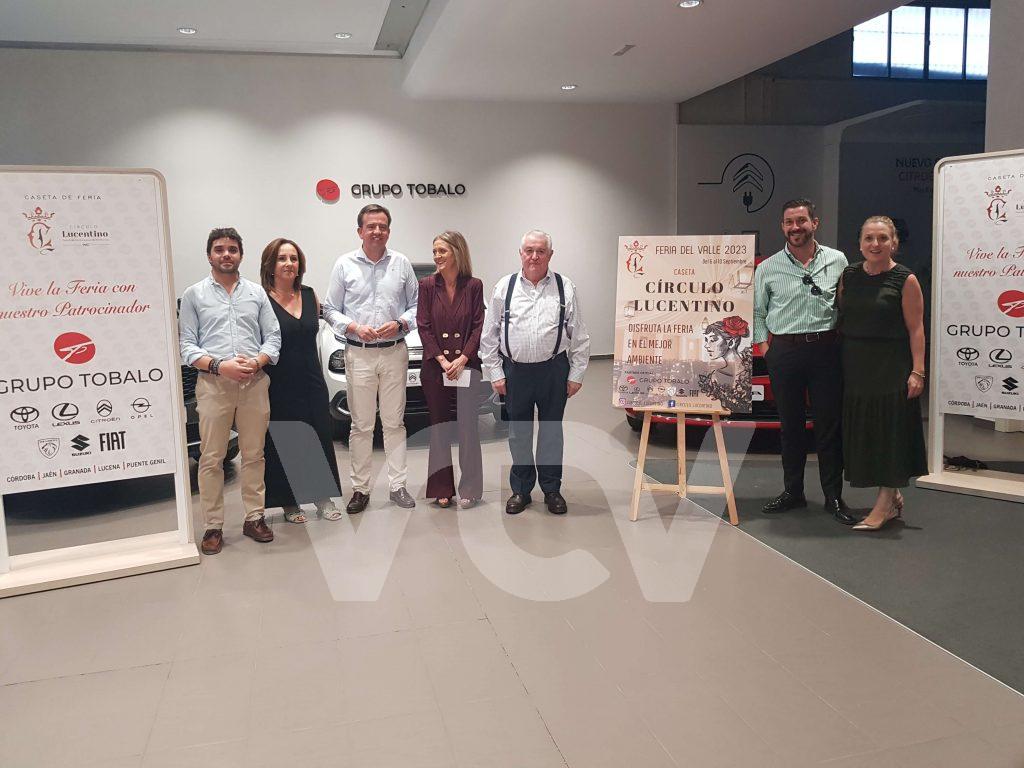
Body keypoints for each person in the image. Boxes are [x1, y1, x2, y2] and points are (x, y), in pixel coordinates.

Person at [753, 199, 857, 525]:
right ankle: (792, 492)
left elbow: (847, 304)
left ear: (815, 222)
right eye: (788, 222)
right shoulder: (768, 267)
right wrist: (765, 348)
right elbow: (757, 312)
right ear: (782, 227)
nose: (795, 228)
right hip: (785, 351)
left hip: (826, 350)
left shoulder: (838, 260)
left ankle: (833, 496)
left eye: (801, 221)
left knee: (829, 426)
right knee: (791, 427)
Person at [179, 227, 282, 555]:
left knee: (254, 454)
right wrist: (219, 366)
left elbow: (274, 337)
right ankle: (213, 525)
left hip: (254, 384)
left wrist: (258, 360)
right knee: (211, 458)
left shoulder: (256, 293)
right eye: (220, 249)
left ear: (240, 255)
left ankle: (254, 518)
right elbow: (186, 345)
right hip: (213, 386)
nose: (226, 254)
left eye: (233, 249)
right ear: (209, 255)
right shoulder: (194, 295)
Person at [480, 230, 591, 515]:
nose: (534, 256)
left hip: (554, 369)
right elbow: (489, 334)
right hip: (515, 372)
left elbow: (578, 335)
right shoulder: (505, 287)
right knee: (519, 432)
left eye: (540, 251)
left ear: (550, 255)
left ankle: (552, 489)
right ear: (521, 253)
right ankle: (521, 490)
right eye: (529, 250)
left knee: (552, 432)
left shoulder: (565, 287)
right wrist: (495, 372)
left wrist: (576, 373)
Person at [323, 204, 419, 512]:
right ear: (360, 231)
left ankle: (398, 486)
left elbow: (418, 307)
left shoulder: (402, 264)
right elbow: (329, 309)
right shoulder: (344, 264)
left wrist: (401, 323)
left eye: (382, 226)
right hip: (359, 355)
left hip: (395, 352)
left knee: (394, 423)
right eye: (371, 226)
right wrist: (352, 327)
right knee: (361, 426)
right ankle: (361, 490)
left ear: (388, 230)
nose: (377, 231)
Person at [839, 216, 927, 531]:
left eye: (882, 238)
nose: (875, 244)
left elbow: (916, 329)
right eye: (869, 238)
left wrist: (918, 371)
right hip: (856, 365)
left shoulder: (905, 279)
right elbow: (843, 315)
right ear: (860, 242)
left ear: (894, 243)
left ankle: (884, 504)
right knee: (868, 433)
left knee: (889, 432)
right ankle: (891, 496)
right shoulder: (849, 274)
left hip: (891, 365)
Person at [259, 238, 343, 524]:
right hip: (278, 381)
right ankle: (289, 501)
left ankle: (322, 498)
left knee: (317, 436)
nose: (288, 264)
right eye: (282, 258)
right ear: (270, 265)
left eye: (293, 258)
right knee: (287, 438)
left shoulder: (309, 295)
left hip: (311, 378)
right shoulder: (261, 299)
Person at [417, 231, 485, 508]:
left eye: (442, 251)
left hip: (466, 367)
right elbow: (423, 325)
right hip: (436, 368)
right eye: (434, 251)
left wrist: (464, 358)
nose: (437, 256)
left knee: (469, 427)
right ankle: (441, 488)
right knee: (439, 428)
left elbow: (479, 324)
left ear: (457, 252)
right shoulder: (427, 285)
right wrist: (443, 361)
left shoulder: (474, 286)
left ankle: (469, 487)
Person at [698, 316, 753, 412]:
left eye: (713, 340)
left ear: (731, 343)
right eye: (706, 340)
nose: (706, 345)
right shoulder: (716, 374)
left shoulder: (748, 369)